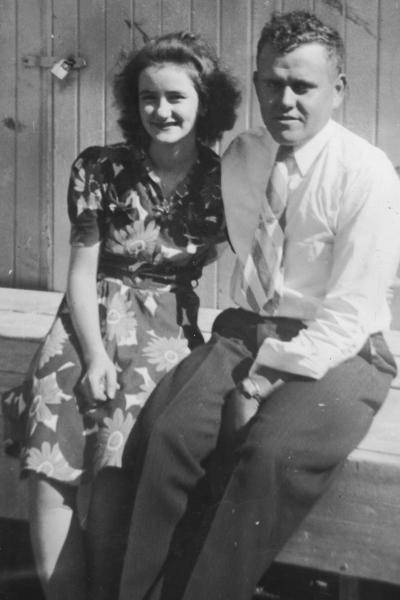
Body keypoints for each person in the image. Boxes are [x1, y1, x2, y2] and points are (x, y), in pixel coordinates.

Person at [118, 10, 400, 600]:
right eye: (272, 84)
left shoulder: (366, 174)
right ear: (255, 83)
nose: (286, 101)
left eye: (303, 86)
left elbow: (349, 317)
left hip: (340, 349)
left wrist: (258, 383)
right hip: (245, 330)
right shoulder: (242, 155)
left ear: (337, 90)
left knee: (272, 455)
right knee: (164, 434)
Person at [1, 31, 239, 600]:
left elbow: (230, 254)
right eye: (148, 97)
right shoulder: (100, 168)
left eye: (176, 97)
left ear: (205, 102)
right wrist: (94, 354)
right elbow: (82, 271)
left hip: (166, 324)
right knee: (50, 455)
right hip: (89, 314)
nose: (161, 110)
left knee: (118, 467)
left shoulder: (223, 181)